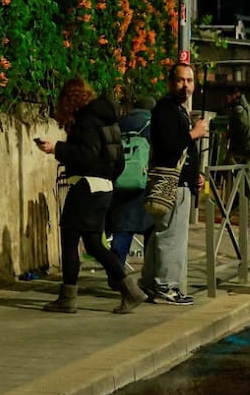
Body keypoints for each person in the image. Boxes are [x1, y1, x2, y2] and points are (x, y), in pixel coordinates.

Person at [34, 78, 147, 314]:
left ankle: (68, 297)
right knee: (94, 244)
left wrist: (56, 147)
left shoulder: (86, 121)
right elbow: (118, 161)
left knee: (70, 239)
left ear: (69, 99)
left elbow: (85, 155)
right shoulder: (107, 120)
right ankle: (130, 290)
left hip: (85, 187)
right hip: (103, 187)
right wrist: (107, 179)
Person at [141, 63, 208, 305]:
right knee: (172, 237)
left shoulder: (176, 109)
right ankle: (167, 288)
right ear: (170, 82)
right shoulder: (166, 110)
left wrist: (194, 176)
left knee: (161, 234)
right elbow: (170, 145)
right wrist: (195, 133)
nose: (186, 86)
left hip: (179, 181)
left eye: (189, 81)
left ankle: (149, 284)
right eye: (181, 80)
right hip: (172, 184)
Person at [108, 96, 156, 269]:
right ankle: (150, 273)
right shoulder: (152, 124)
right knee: (152, 230)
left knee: (122, 228)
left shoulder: (121, 123)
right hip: (145, 184)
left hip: (120, 182)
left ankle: (116, 272)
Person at [223, 86, 250, 164]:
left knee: (230, 166)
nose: (227, 100)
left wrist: (228, 134)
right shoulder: (249, 108)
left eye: (228, 97)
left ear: (234, 95)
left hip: (240, 148)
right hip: (248, 146)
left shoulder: (238, 108)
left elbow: (241, 125)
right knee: (244, 172)